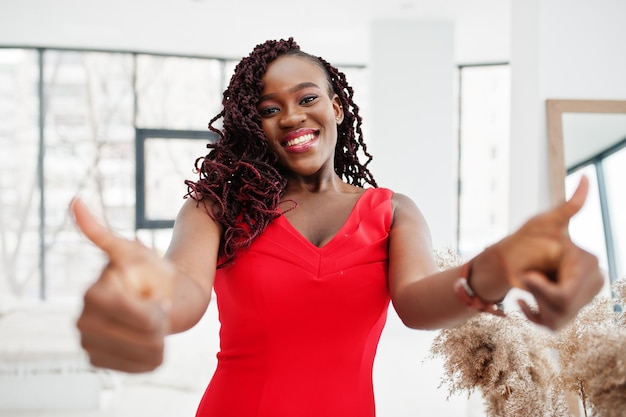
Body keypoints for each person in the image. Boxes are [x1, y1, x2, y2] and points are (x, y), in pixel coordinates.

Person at [70, 38, 604, 416]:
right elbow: (181, 295)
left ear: (338, 106)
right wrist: (148, 303)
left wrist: (498, 264)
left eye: (307, 98)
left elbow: (418, 304)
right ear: (251, 126)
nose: (293, 117)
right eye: (268, 109)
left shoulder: (392, 211)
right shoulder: (218, 208)